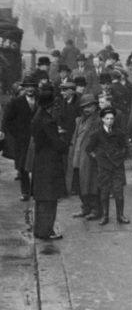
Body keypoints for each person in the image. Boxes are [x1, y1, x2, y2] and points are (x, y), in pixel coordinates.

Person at [30, 84, 69, 239]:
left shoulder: (37, 117)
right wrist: (66, 144)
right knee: (50, 199)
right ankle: (47, 231)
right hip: (49, 162)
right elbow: (56, 143)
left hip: (40, 161)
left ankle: (40, 230)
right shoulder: (48, 121)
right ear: (50, 105)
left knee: (41, 200)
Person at [86, 107, 130, 225]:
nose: (110, 121)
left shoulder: (119, 133)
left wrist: (121, 156)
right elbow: (89, 149)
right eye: (107, 119)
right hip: (104, 167)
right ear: (102, 119)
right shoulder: (96, 134)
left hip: (117, 166)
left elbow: (126, 147)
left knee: (118, 192)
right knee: (104, 192)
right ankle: (105, 216)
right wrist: (98, 158)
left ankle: (120, 216)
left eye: (112, 118)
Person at [2, 78, 39, 201]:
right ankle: (25, 192)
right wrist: (16, 133)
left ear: (35, 88)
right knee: (23, 167)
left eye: (32, 86)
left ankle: (35, 191)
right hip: (22, 140)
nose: (30, 89)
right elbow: (7, 120)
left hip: (37, 139)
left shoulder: (40, 101)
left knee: (36, 165)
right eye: (27, 87)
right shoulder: (16, 102)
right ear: (24, 88)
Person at [69, 94, 101, 219]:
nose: (87, 109)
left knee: (92, 184)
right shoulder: (80, 120)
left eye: (90, 106)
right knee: (80, 184)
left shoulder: (97, 120)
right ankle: (85, 207)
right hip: (78, 155)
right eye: (84, 107)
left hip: (89, 157)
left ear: (95, 106)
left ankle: (96, 210)